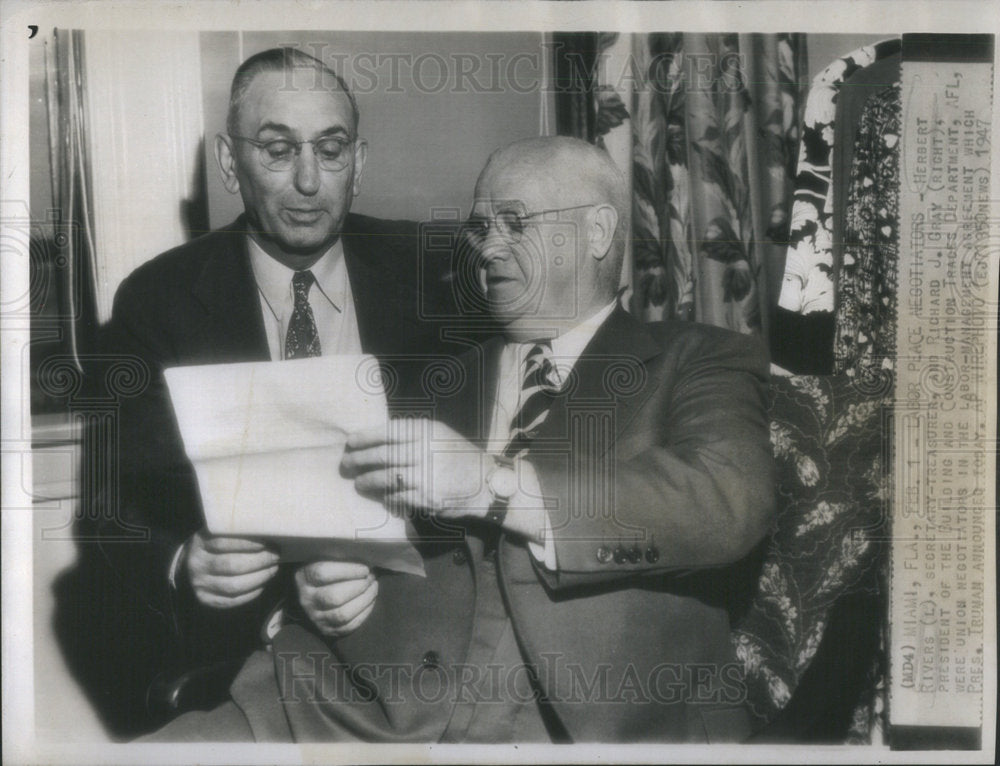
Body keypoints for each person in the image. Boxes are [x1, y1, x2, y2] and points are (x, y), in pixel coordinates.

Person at [145, 135, 775, 743]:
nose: (488, 250)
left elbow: (726, 500)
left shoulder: (700, 360)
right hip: (350, 710)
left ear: (598, 233)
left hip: (577, 725)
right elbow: (355, 532)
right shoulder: (429, 379)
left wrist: (489, 484)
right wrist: (320, 587)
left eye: (516, 223)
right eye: (481, 227)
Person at [63, 47, 459, 735]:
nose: (308, 181)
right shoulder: (159, 301)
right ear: (229, 162)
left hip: (412, 642)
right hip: (246, 651)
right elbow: (108, 501)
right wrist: (185, 560)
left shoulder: (435, 278)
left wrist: (405, 571)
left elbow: (495, 455)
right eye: (277, 151)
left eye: (330, 151)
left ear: (358, 163)